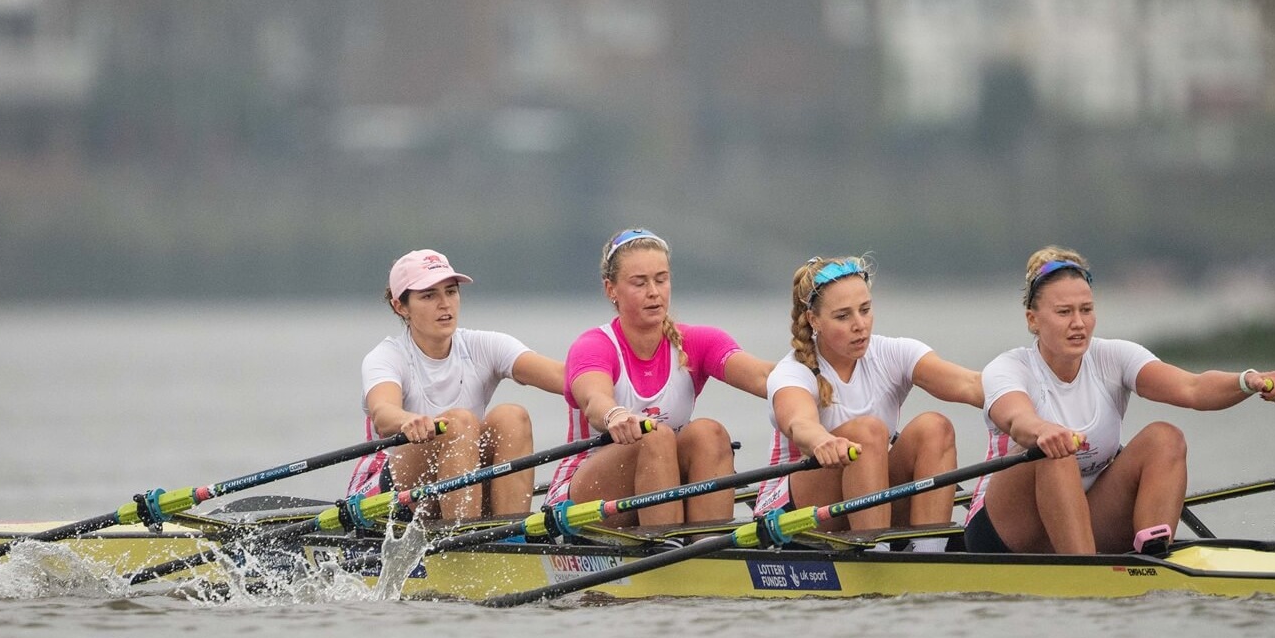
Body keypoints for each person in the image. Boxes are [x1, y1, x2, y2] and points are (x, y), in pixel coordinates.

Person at [963, 246, 1275, 555]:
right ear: (1033, 320)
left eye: (1086, 310)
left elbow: (1192, 388)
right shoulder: (1009, 368)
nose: (1078, 323)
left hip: (1085, 518)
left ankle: (1152, 556)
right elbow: (1017, 419)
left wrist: (1246, 381)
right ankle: (1084, 571)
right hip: (1005, 531)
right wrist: (1042, 430)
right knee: (1054, 451)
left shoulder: (1114, 357)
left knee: (1165, 438)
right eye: (1064, 312)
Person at [543, 228, 773, 528]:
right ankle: (667, 541)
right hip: (582, 495)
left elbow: (764, 377)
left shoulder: (697, 342)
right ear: (611, 289)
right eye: (639, 283)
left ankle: (708, 542)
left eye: (661, 280)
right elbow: (594, 399)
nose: (653, 292)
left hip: (660, 483)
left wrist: (818, 378)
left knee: (709, 433)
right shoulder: (594, 346)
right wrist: (614, 415)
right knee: (655, 436)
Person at [754, 256, 983, 552]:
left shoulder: (893, 353)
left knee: (935, 427)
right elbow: (799, 423)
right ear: (814, 320)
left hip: (863, 497)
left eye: (865, 310)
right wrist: (822, 440)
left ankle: (929, 551)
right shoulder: (792, 372)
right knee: (867, 433)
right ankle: (876, 552)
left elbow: (970, 385)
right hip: (792, 514)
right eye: (843, 316)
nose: (860, 325)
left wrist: (1026, 411)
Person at [347, 249, 565, 521]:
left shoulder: (483, 346)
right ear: (400, 307)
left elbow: (564, 377)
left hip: (454, 480)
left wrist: (605, 399)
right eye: (429, 296)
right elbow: (383, 413)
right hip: (386, 495)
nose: (445, 304)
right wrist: (408, 421)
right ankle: (463, 535)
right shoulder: (386, 356)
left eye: (450, 292)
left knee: (512, 416)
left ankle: (510, 533)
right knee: (458, 423)